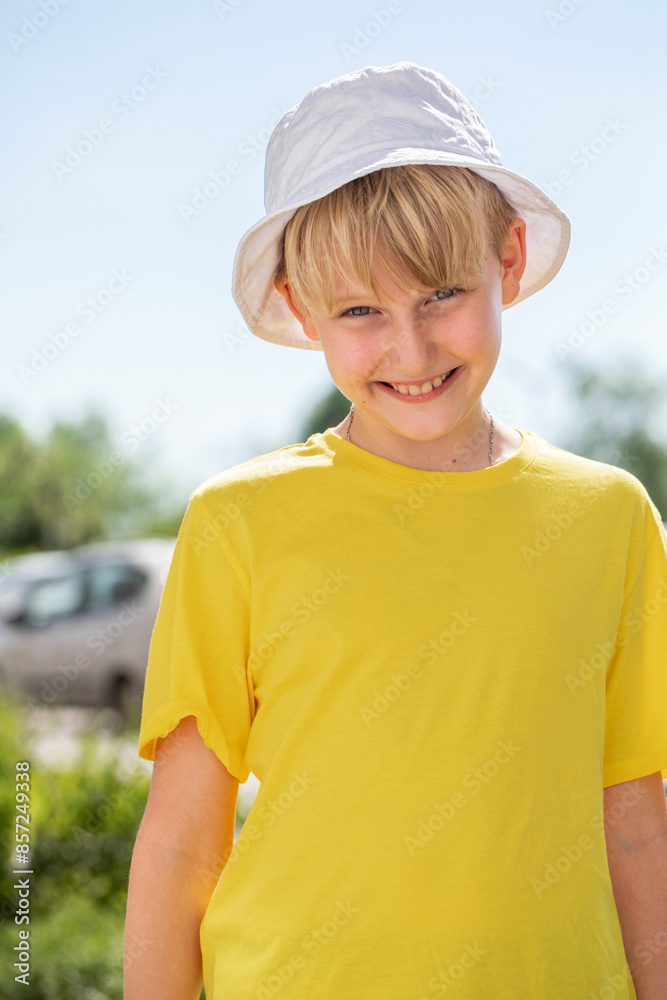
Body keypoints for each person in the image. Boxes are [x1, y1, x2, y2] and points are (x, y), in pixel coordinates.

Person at [124, 62, 667, 1000]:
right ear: (302, 309)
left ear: (506, 258)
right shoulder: (238, 523)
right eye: (360, 312)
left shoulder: (608, 519)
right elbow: (180, 848)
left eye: (442, 297)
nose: (408, 351)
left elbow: (633, 821)